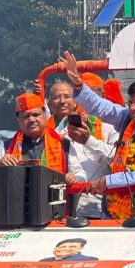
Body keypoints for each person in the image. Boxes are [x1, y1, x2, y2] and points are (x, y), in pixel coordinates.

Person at [61, 52, 135, 220]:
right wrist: (78, 83)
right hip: (113, 207)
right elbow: (100, 106)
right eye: (130, 103)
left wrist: (109, 181)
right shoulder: (127, 117)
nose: (132, 108)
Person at [49, 77, 119, 219]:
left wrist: (88, 141)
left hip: (106, 206)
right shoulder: (60, 131)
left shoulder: (110, 125)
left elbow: (118, 159)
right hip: (74, 209)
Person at [0, 92, 85, 186]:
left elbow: (81, 174)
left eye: (36, 115)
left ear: (44, 114)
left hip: (53, 196)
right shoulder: (6, 147)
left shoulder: (64, 144)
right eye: (26, 116)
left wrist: (74, 178)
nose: (31, 119)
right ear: (18, 119)